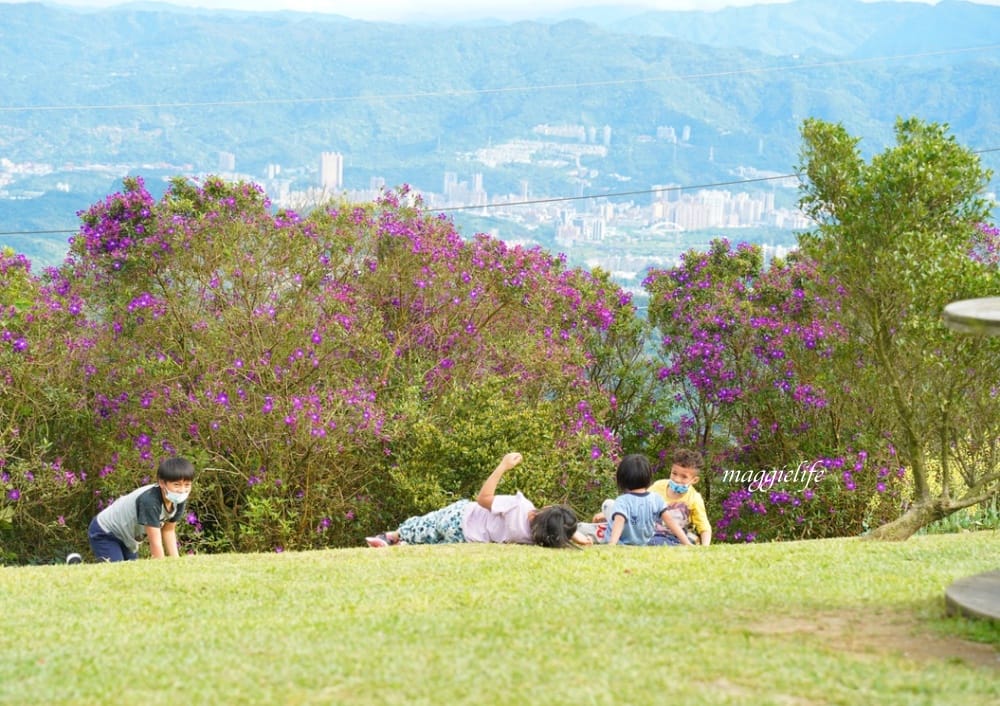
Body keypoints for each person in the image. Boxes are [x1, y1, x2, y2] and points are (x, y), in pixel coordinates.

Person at [365, 452, 592, 548]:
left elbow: (483, 498)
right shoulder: (530, 538)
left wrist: (503, 465)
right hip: (464, 538)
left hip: (460, 516)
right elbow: (557, 528)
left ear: (547, 510)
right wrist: (577, 536)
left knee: (424, 524)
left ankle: (392, 537)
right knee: (430, 543)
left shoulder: (519, 507)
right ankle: (400, 546)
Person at [87, 457, 196, 562]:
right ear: (162, 483)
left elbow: (168, 530)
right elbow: (155, 543)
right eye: (176, 485)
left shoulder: (178, 499)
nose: (182, 490)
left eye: (187, 485)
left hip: (128, 538)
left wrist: (176, 562)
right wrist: (163, 571)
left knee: (132, 574)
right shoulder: (150, 501)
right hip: (106, 531)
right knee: (116, 573)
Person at [590, 453, 692, 546]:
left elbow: (619, 522)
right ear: (648, 477)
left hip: (624, 542)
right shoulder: (656, 499)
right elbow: (671, 523)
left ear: (622, 478)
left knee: (607, 505)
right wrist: (687, 543)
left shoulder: (622, 501)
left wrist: (612, 544)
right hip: (644, 542)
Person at [649, 448, 712, 546]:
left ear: (694, 480)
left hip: (681, 538)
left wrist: (705, 547)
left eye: (684, 477)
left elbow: (703, 526)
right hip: (655, 533)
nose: (677, 479)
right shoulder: (657, 487)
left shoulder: (694, 498)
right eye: (674, 473)